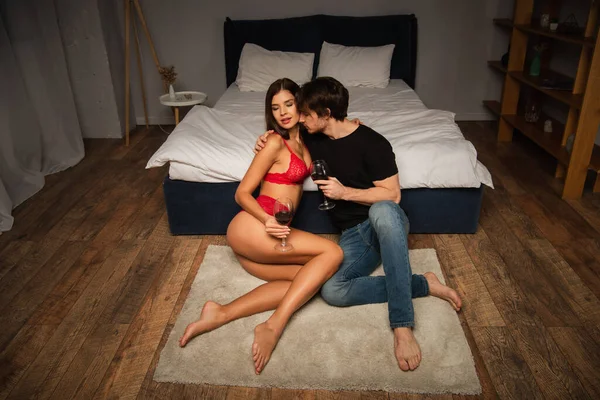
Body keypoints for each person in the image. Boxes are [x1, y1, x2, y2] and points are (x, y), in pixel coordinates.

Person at [254, 77, 462, 372]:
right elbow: (285, 134)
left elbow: (393, 196)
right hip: (354, 235)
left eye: (305, 113)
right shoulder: (313, 135)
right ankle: (423, 283)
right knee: (332, 290)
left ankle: (402, 324)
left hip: (385, 223)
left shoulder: (373, 143)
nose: (298, 117)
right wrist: (263, 138)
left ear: (326, 114)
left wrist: (344, 193)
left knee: (382, 211)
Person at [178, 78, 343, 376]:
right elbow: (241, 193)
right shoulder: (274, 142)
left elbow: (334, 129)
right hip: (254, 226)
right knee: (331, 253)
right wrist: (267, 220)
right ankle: (273, 325)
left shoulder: (304, 140)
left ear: (300, 103)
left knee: (309, 281)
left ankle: (220, 313)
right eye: (275, 107)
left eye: (289, 104)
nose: (282, 113)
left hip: (267, 240)